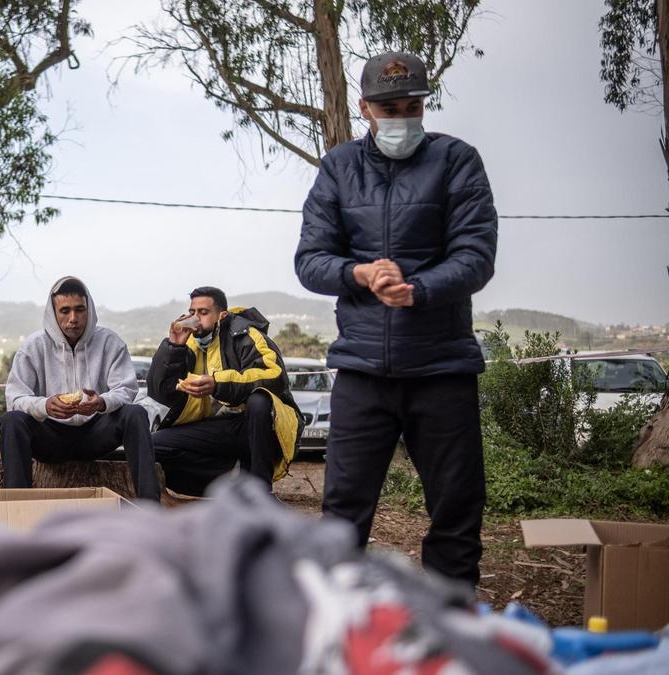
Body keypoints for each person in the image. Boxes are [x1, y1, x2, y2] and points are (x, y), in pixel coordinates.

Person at [294, 52, 498, 587]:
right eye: (389, 108)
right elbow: (310, 261)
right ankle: (338, 637)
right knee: (341, 518)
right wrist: (360, 274)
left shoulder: (457, 161)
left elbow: (476, 255)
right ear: (364, 107)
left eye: (413, 106)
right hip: (362, 372)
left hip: (442, 369)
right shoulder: (338, 167)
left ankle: (450, 636)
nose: (402, 118)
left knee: (456, 515)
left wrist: (420, 290)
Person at [0, 276, 160, 500]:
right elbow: (15, 397)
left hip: (96, 434)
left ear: (89, 309)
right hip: (50, 436)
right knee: (12, 421)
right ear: (53, 313)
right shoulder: (34, 346)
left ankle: (149, 507)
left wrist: (102, 402)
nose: (73, 318)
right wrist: (44, 405)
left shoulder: (109, 342)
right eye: (65, 311)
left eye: (79, 310)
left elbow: (127, 389)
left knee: (135, 414)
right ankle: (17, 508)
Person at [146, 287, 302, 497]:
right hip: (219, 427)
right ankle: (233, 477)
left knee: (259, 400)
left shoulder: (246, 334)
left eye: (203, 312)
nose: (195, 318)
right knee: (152, 445)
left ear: (222, 315)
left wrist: (218, 384)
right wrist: (173, 346)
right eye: (192, 312)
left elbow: (275, 376)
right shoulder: (188, 343)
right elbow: (160, 391)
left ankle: (260, 493)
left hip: (258, 425)